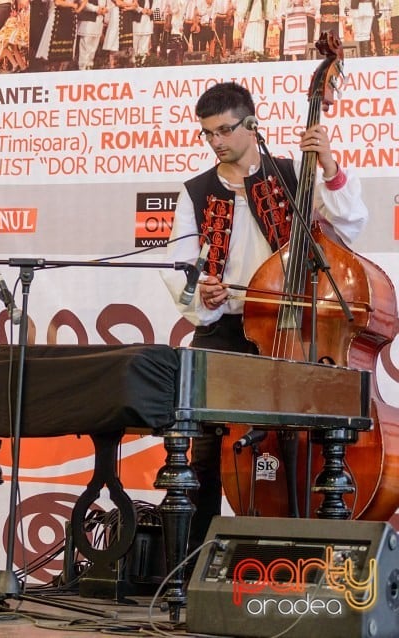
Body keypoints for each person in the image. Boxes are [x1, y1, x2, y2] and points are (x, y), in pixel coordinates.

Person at [161, 82, 368, 552]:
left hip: (292, 326)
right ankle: (194, 561)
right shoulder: (195, 192)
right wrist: (202, 291)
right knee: (207, 447)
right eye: (208, 133)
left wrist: (330, 164)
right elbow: (182, 266)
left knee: (308, 438)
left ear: (252, 125)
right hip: (227, 328)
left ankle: (311, 547)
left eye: (225, 130)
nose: (216, 141)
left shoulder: (294, 175)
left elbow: (351, 222)